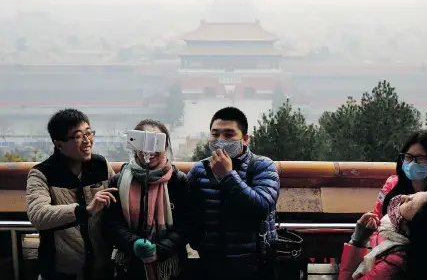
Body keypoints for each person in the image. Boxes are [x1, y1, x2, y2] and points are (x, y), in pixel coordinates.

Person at [187, 107, 280, 280]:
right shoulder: (199, 170)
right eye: (215, 134)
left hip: (255, 264)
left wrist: (227, 175)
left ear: (245, 139)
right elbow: (189, 212)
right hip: (211, 263)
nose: (220, 141)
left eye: (229, 135)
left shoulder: (263, 167)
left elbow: (260, 208)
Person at [25, 108, 116, 280]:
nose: (87, 141)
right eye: (78, 136)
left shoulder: (101, 165)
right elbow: (38, 215)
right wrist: (85, 210)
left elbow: (120, 197)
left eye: (89, 133)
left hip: (101, 269)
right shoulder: (42, 173)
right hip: (60, 272)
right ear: (59, 144)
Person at [104, 119, 191, 280]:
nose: (150, 149)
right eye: (143, 142)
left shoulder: (178, 180)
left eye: (157, 141)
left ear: (166, 146)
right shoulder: (119, 180)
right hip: (130, 265)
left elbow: (186, 224)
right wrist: (133, 244)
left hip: (170, 265)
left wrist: (160, 249)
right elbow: (112, 222)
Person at [339, 190, 427, 280]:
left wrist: (357, 241)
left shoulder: (391, 267)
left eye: (409, 202)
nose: (404, 197)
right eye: (412, 195)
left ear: (409, 229)